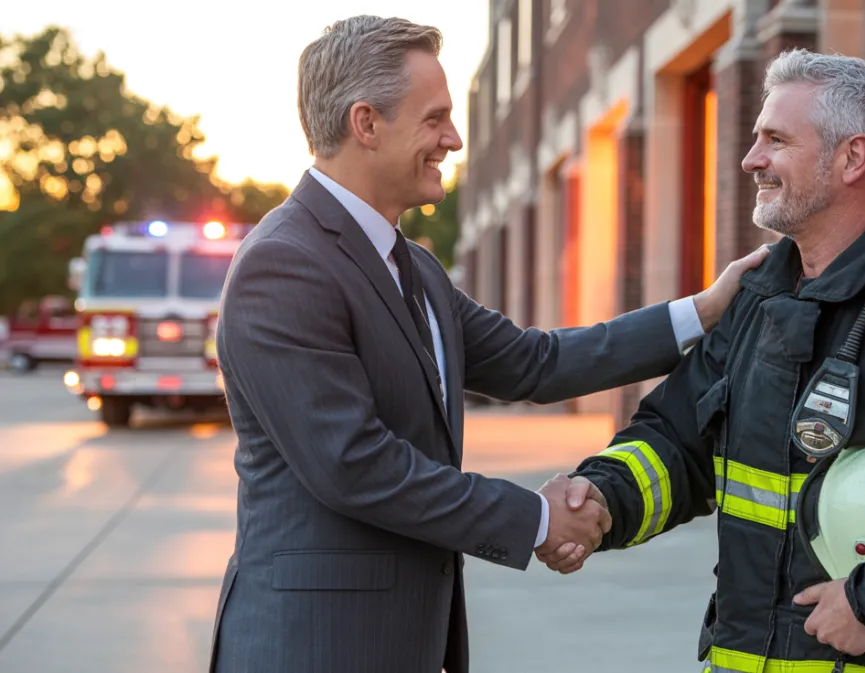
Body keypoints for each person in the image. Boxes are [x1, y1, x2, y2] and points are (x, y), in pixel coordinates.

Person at [207, 15, 768, 673]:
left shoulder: (414, 267)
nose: (454, 138)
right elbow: (356, 464)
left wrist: (703, 311)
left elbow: (536, 360)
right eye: (434, 118)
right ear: (366, 124)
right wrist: (536, 518)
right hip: (312, 644)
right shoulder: (285, 265)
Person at [540, 49, 865, 673]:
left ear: (852, 158)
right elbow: (675, 439)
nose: (751, 159)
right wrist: (600, 500)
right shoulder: (757, 298)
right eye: (755, 138)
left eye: (775, 140)